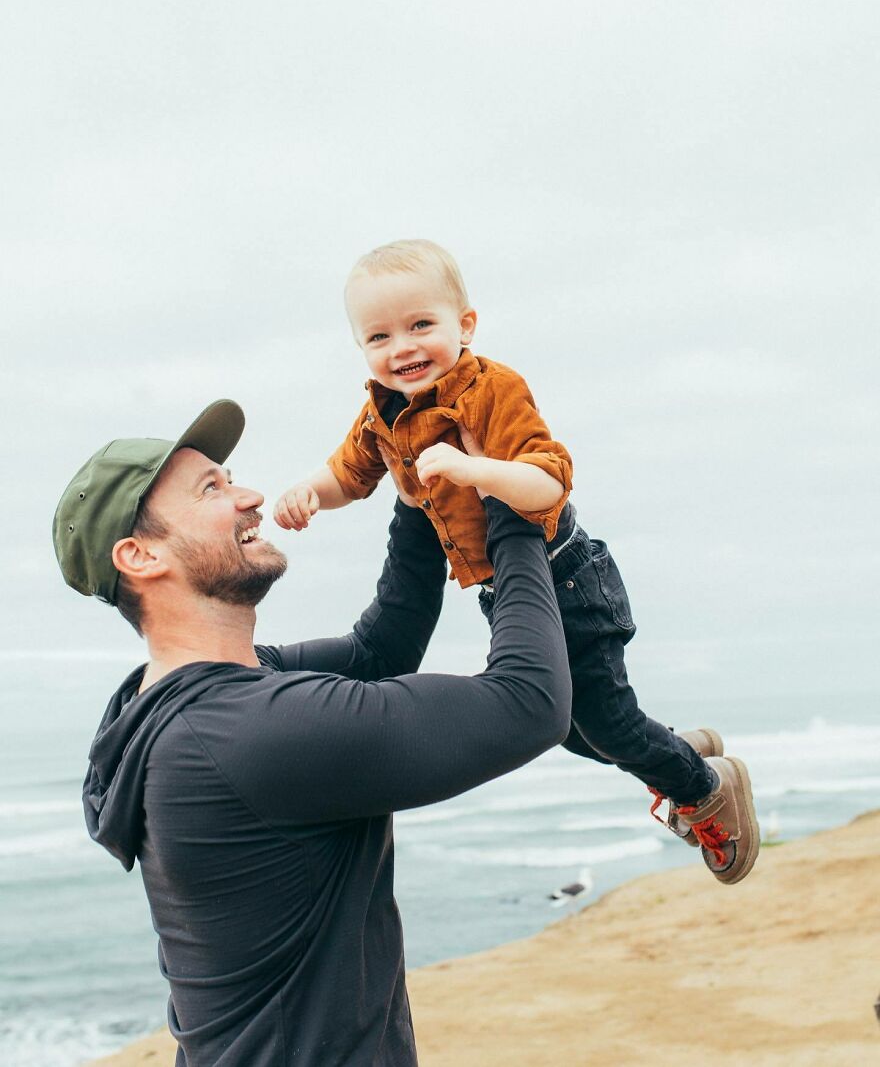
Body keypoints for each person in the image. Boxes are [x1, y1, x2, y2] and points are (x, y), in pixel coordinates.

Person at [52, 398, 574, 1066]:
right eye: (213, 489)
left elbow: (378, 651)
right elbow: (528, 704)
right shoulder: (244, 734)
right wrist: (509, 500)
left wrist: (417, 486)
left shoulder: (170, 702)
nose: (251, 497)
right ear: (140, 555)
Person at [274, 238, 760, 884]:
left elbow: (549, 484)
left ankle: (704, 787)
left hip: (565, 577)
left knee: (604, 722)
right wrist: (311, 494)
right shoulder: (381, 413)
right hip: (504, 591)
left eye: (422, 325)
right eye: (379, 336)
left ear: (465, 325)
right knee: (560, 724)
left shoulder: (490, 389)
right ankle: (673, 749)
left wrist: (477, 469)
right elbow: (348, 475)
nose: (403, 348)